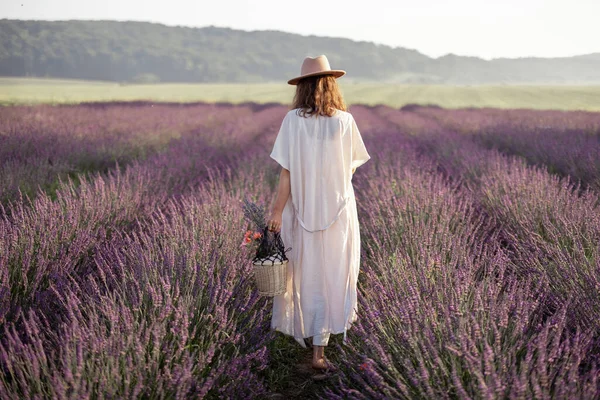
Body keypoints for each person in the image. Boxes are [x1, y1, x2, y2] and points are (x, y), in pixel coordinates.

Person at [267, 55, 371, 371]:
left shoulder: (292, 121)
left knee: (304, 273)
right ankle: (320, 351)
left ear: (303, 88)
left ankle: (310, 344)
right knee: (334, 273)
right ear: (331, 85)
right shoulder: (345, 121)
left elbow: (286, 172)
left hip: (301, 209)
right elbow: (350, 168)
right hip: (339, 211)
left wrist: (276, 211)